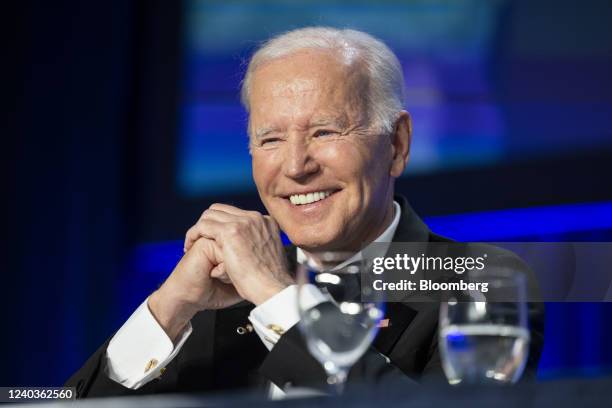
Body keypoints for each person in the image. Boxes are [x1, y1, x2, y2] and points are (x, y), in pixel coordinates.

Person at [66, 27, 543, 398]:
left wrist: (276, 298)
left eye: (325, 132)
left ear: (396, 145)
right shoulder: (211, 302)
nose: (295, 167)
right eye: (271, 139)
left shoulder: (477, 280)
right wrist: (167, 308)